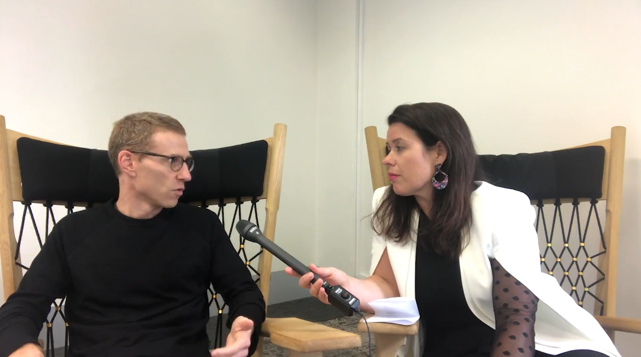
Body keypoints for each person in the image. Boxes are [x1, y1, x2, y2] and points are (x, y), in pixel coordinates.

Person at [287, 103, 621, 357]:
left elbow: (517, 317)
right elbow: (388, 286)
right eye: (388, 149)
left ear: (439, 153)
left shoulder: (501, 206)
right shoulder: (389, 203)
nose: (388, 159)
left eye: (400, 148)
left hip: (533, 347)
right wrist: (350, 286)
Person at [0, 112, 265, 357]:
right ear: (128, 161)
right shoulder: (73, 232)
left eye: (187, 162)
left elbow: (244, 291)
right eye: (174, 161)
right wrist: (24, 347)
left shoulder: (203, 226)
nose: (186, 175)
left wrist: (245, 323)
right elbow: (23, 306)